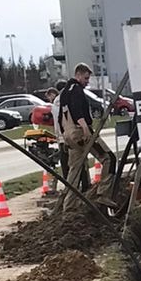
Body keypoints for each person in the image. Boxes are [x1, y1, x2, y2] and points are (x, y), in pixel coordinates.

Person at [56, 64, 97, 201]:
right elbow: (77, 110)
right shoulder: (76, 90)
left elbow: (60, 117)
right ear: (78, 75)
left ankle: (68, 204)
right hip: (81, 134)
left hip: (69, 136)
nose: (87, 81)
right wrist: (85, 128)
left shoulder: (64, 92)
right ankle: (104, 193)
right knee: (108, 158)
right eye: (85, 78)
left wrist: (63, 135)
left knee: (74, 169)